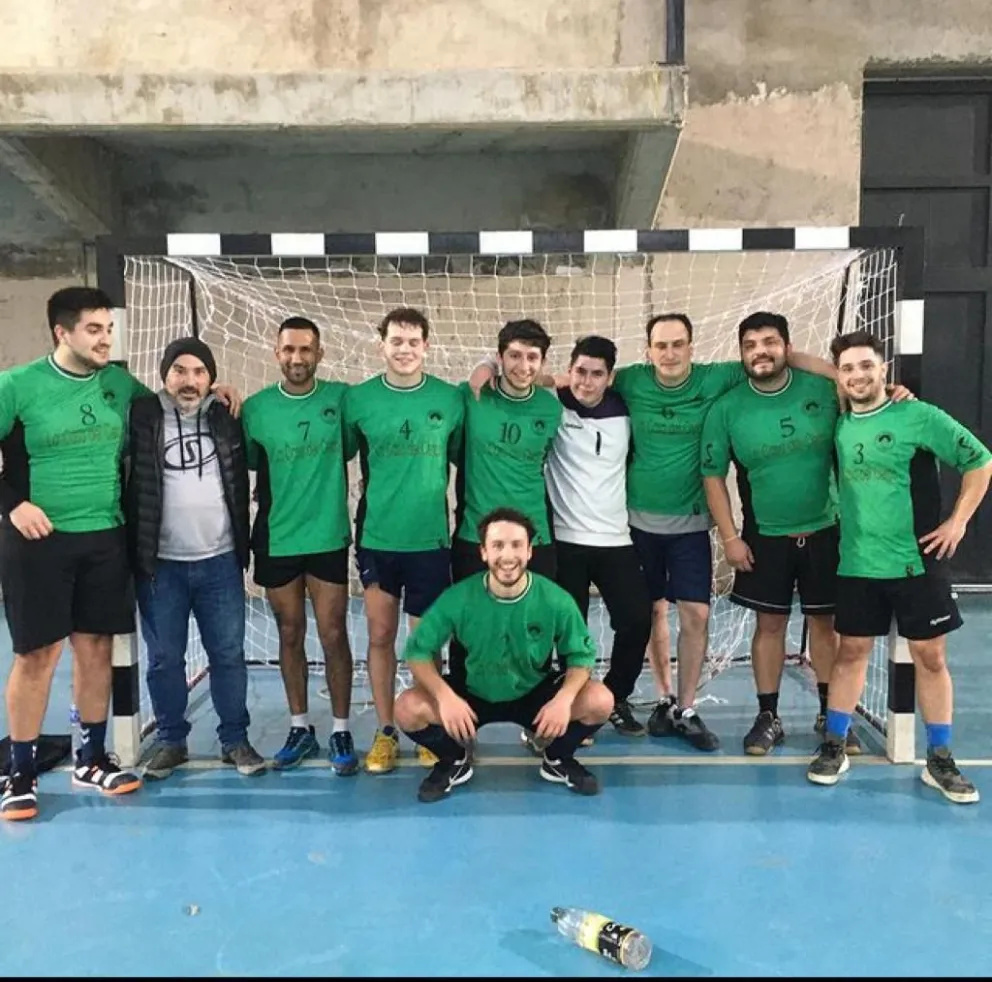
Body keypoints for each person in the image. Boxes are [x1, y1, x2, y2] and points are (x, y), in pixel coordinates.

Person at [611, 314, 837, 751]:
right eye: (661, 345)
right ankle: (663, 697)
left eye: (679, 344)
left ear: (692, 347)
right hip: (638, 522)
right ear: (648, 350)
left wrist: (842, 376)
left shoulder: (720, 377)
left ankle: (687, 707)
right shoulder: (632, 381)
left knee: (696, 615)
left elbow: (787, 358)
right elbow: (582, 378)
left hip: (693, 524)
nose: (670, 353)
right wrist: (495, 369)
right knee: (651, 612)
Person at [807, 330, 992, 802]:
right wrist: (796, 356)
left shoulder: (917, 415)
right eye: (847, 368)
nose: (857, 375)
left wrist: (958, 523)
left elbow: (980, 460)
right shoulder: (841, 422)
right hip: (857, 563)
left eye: (866, 365)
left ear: (884, 368)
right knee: (851, 652)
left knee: (931, 657)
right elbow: (816, 367)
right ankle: (835, 744)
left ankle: (940, 758)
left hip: (916, 562)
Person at [0, 287, 149, 820]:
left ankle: (91, 758)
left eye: (108, 328)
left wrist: (217, 390)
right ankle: (19, 772)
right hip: (39, 542)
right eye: (93, 329)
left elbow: (169, 405)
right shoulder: (16, 386)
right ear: (61, 332)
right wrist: (12, 505)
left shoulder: (119, 384)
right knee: (37, 655)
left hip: (104, 537)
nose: (105, 338)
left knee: (95, 649)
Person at [701, 312, 862, 755]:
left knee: (824, 625)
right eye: (751, 344)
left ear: (787, 347)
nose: (761, 351)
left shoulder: (825, 391)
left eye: (770, 342)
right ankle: (768, 716)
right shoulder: (727, 408)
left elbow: (865, 396)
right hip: (765, 537)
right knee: (769, 625)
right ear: (741, 353)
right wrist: (730, 537)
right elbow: (712, 476)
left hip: (827, 531)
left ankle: (833, 715)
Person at [394, 508, 614, 803]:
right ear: (483, 552)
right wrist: (445, 697)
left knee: (601, 700)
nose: (507, 556)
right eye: (497, 546)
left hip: (534, 695)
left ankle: (557, 757)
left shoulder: (555, 599)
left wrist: (563, 700)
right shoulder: (458, 598)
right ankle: (454, 759)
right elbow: (418, 651)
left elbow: (580, 657)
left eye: (516, 545)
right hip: (474, 694)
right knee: (407, 709)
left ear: (530, 551)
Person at [127, 337, 265, 779]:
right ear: (163, 375)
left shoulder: (227, 417)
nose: (189, 381)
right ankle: (171, 741)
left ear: (211, 378)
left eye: (199, 372)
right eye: (179, 371)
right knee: (164, 658)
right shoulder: (140, 416)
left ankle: (235, 740)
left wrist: (228, 391)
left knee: (227, 655)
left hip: (220, 562)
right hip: (159, 565)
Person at [343, 307, 464, 774]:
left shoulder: (450, 400)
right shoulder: (359, 400)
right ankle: (386, 730)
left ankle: (426, 727)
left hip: (431, 541)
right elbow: (346, 451)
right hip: (378, 537)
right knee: (380, 635)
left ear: (427, 346)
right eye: (397, 341)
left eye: (414, 341)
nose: (405, 349)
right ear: (382, 345)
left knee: (425, 642)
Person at [242, 316, 358, 776]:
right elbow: (248, 466)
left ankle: (342, 729)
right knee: (289, 633)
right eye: (288, 349)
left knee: (333, 635)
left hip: (327, 535)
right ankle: (300, 727)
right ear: (276, 353)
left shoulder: (341, 400)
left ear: (319, 354)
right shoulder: (254, 409)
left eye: (305, 350)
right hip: (276, 538)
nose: (297, 358)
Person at [543, 336, 652, 737]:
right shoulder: (552, 404)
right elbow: (519, 376)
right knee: (570, 633)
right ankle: (558, 707)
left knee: (637, 621)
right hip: (565, 541)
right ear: (568, 371)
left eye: (596, 374)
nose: (586, 382)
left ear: (610, 377)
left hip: (616, 541)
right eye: (579, 372)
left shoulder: (626, 410)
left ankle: (614, 698)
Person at [455, 318, 562, 581]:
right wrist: (484, 365)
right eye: (514, 355)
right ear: (499, 357)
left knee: (532, 621)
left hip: (533, 536)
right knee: (475, 622)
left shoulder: (552, 409)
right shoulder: (471, 396)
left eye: (532, 357)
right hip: (477, 534)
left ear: (542, 362)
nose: (523, 366)